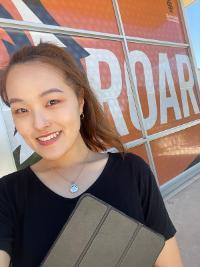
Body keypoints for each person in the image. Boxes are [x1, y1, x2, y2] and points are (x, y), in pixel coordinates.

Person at [0, 42, 183, 267]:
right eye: (21, 110)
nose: (39, 123)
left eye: (52, 102)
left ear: (80, 101)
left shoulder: (133, 172)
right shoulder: (7, 194)